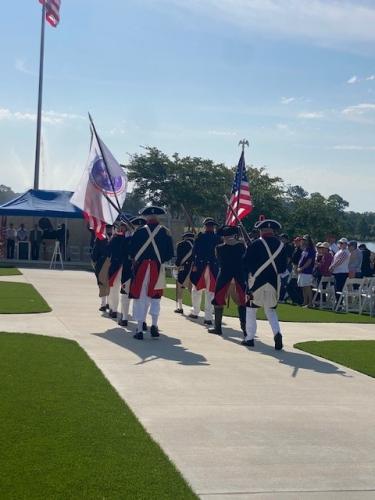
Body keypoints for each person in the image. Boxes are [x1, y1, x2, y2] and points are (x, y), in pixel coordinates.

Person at [129, 206, 174, 340]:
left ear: (146, 217)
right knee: (156, 298)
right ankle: (154, 326)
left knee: (140, 298)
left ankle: (139, 329)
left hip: (142, 267)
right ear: (157, 217)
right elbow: (169, 253)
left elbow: (131, 251)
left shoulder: (140, 231)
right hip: (157, 267)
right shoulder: (165, 232)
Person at [242, 218, 287, 350]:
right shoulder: (281, 246)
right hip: (273, 282)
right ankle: (277, 333)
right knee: (271, 310)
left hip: (256, 282)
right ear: (273, 231)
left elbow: (246, 264)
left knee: (251, 309)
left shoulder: (255, 244)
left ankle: (249, 338)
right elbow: (283, 268)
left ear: (261, 231)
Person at [208, 225, 246, 336]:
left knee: (219, 300)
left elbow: (219, 261)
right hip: (239, 275)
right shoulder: (242, 246)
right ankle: (245, 328)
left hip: (225, 274)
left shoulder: (219, 248)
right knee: (242, 300)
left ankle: (218, 327)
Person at [189, 218, 220, 325]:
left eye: (210, 225)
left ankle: (196, 312)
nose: (209, 227)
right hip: (211, 267)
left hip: (202, 266)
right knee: (208, 292)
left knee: (198, 291)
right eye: (209, 225)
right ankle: (207, 317)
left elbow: (194, 253)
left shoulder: (200, 237)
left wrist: (194, 265)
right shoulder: (217, 238)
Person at [118, 216, 146, 327]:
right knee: (131, 295)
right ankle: (135, 319)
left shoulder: (128, 240)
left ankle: (131, 319)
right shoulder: (128, 239)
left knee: (136, 296)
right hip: (134, 270)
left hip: (135, 270)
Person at [107, 221, 128, 319]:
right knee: (118, 290)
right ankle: (117, 311)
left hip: (118, 266)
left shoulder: (115, 238)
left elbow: (108, 250)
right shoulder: (128, 239)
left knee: (115, 289)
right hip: (123, 266)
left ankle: (114, 309)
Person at [174, 231, 195, 314]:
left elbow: (179, 258)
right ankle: (194, 309)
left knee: (180, 287)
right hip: (194, 268)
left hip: (184, 268)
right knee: (192, 289)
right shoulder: (197, 244)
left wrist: (176, 266)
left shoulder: (181, 244)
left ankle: (180, 307)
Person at [91, 229, 111, 311]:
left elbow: (95, 252)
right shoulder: (116, 237)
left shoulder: (100, 238)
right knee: (110, 284)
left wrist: (94, 260)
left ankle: (103, 304)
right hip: (113, 263)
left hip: (103, 263)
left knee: (102, 283)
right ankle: (109, 304)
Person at [297, 234, 316, 307]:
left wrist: (302, 268)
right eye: (303, 240)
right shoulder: (305, 250)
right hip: (302, 271)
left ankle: (310, 303)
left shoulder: (311, 250)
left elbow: (309, 261)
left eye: (305, 240)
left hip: (307, 272)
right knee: (303, 287)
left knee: (307, 287)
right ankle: (305, 302)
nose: (303, 241)